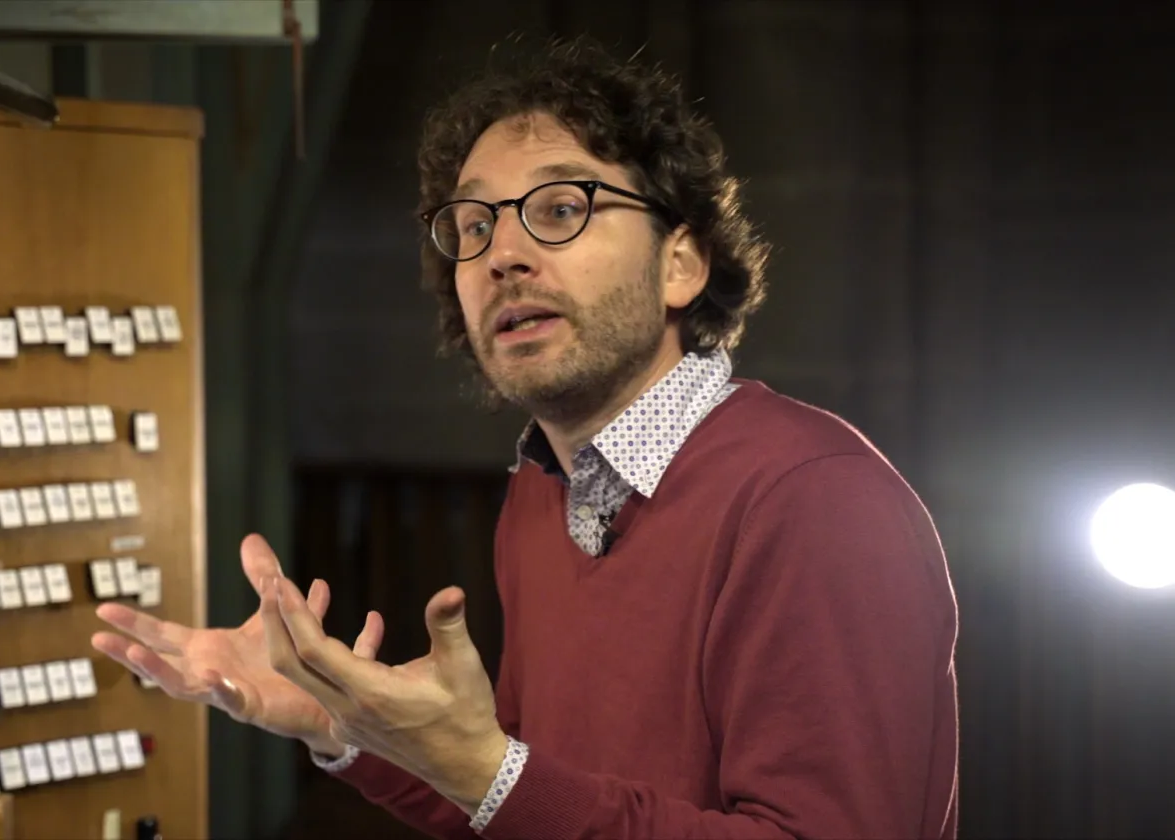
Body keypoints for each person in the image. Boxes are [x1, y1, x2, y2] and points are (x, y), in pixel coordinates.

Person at [92, 36, 960, 840]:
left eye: (561, 207)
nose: (502, 253)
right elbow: (526, 802)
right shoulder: (544, 491)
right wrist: (340, 721)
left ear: (681, 264)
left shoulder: (817, 501)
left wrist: (487, 772)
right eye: (475, 225)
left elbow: (512, 787)